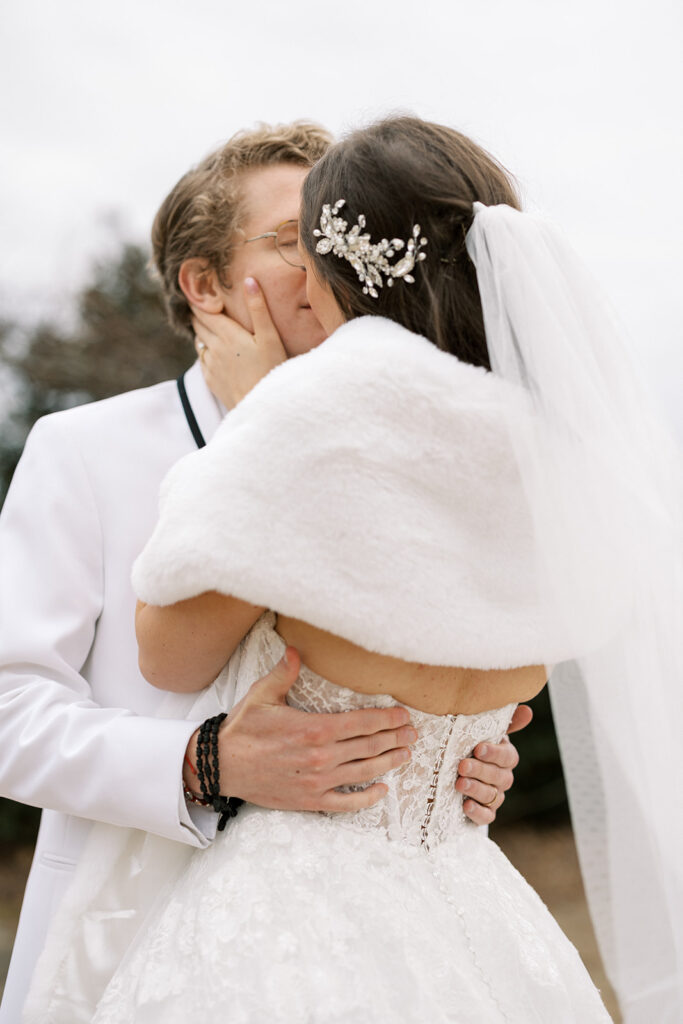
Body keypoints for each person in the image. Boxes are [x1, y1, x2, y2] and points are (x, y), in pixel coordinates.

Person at [28, 114, 683, 1023]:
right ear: (202, 284)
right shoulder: (81, 449)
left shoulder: (303, 430)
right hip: (162, 909)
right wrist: (201, 761)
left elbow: (174, 655)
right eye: (285, 242)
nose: (309, 272)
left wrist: (456, 765)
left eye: (319, 242)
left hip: (299, 928)